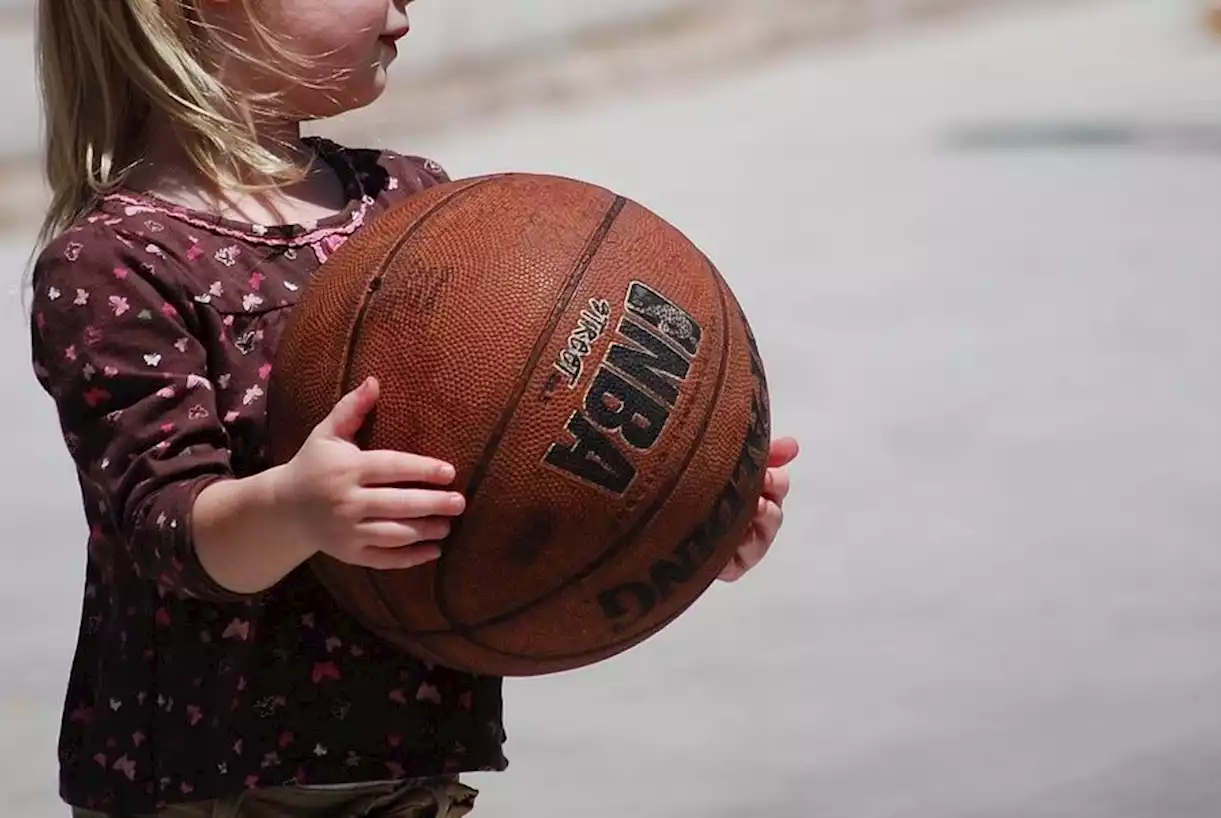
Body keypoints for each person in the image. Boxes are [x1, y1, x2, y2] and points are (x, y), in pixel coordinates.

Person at [25, 1, 801, 816]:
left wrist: (677, 519)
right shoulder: (115, 262)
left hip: (410, 770)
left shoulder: (410, 201)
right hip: (215, 783)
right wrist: (296, 508)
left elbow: (509, 477)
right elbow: (167, 532)